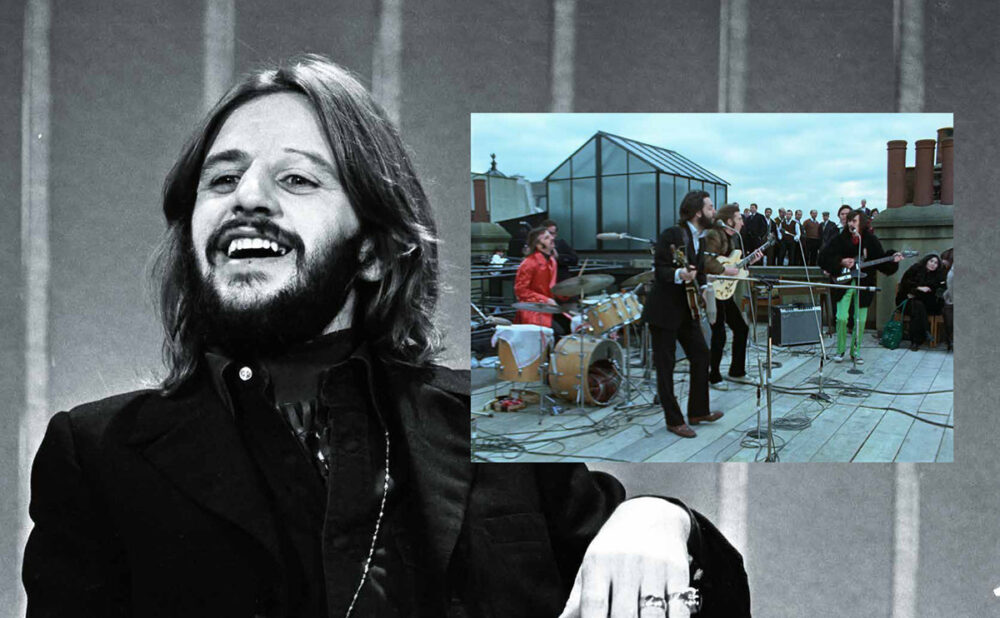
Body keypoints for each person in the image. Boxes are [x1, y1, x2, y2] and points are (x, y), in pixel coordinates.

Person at [22, 55, 749, 618]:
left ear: (373, 248)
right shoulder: (98, 457)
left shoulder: (488, 433)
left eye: (298, 180)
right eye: (221, 180)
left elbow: (713, 597)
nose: (247, 197)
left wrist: (659, 521)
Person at [641, 190, 724, 439]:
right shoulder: (673, 234)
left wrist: (704, 285)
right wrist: (679, 275)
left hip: (687, 310)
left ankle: (698, 411)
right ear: (698, 211)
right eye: (710, 207)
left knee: (701, 355)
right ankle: (673, 420)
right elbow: (660, 270)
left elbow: (697, 271)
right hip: (664, 311)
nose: (713, 211)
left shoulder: (699, 238)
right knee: (665, 368)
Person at [818, 209, 903, 363]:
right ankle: (840, 350)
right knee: (841, 318)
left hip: (864, 284)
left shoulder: (870, 240)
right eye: (849, 220)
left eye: (854, 220)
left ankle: (855, 352)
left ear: (862, 223)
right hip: (843, 283)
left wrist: (892, 259)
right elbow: (823, 258)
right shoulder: (838, 238)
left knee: (860, 320)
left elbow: (881, 260)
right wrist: (840, 261)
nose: (851, 223)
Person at [702, 205, 761, 391]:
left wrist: (749, 262)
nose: (743, 222)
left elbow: (735, 265)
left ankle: (737, 371)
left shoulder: (732, 239)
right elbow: (708, 261)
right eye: (739, 218)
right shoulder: (714, 234)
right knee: (718, 333)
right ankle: (714, 376)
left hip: (724, 292)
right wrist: (726, 270)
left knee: (741, 328)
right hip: (712, 289)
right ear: (729, 221)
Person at [514, 226, 564, 334]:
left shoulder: (552, 261)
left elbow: (551, 288)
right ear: (538, 244)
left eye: (550, 235)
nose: (551, 238)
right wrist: (545, 300)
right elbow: (521, 291)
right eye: (546, 237)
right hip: (534, 311)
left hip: (549, 307)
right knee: (558, 333)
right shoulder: (529, 263)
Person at [895, 254, 947, 351]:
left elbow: (937, 291)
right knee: (917, 306)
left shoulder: (938, 275)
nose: (933, 264)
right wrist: (918, 288)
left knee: (918, 306)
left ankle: (916, 341)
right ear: (926, 261)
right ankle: (925, 332)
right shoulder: (915, 269)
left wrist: (917, 293)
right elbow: (905, 283)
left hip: (926, 304)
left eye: (936, 263)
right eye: (931, 261)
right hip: (906, 301)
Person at [541, 218, 578, 282]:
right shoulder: (537, 246)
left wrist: (558, 257)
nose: (551, 237)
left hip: (559, 281)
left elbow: (575, 259)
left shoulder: (561, 244)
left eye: (553, 234)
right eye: (549, 233)